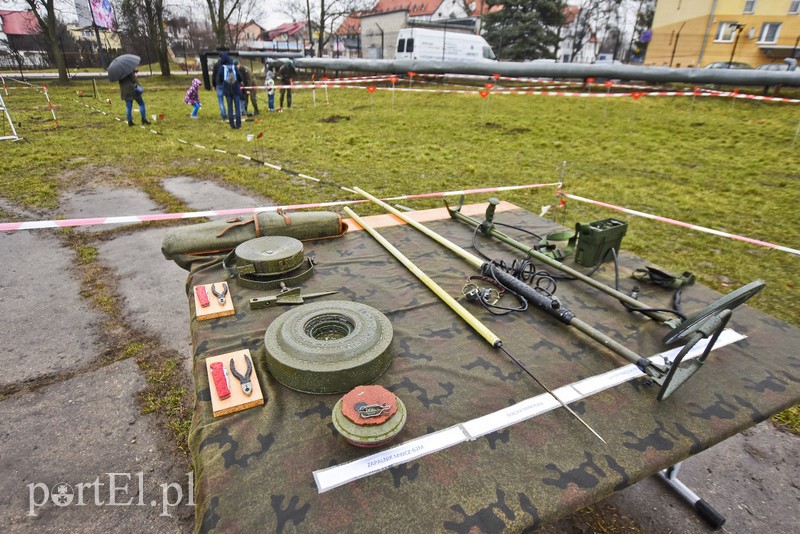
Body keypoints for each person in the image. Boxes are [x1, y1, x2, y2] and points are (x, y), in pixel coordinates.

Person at [217, 53, 242, 129]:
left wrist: (224, 83)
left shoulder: (222, 67)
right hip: (236, 88)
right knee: (237, 107)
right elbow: (240, 76)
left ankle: (232, 124)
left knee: (230, 107)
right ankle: (238, 124)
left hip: (227, 89)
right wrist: (238, 82)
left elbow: (220, 78)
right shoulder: (234, 66)